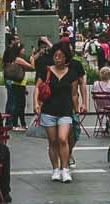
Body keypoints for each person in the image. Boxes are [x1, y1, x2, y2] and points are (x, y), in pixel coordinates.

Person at [33, 43, 85, 183]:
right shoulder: (46, 71)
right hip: (48, 110)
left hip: (65, 110)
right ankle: (55, 169)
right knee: (53, 141)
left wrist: (78, 108)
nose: (57, 58)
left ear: (66, 57)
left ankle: (65, 169)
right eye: (55, 56)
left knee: (63, 139)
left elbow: (74, 94)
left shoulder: (72, 73)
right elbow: (37, 88)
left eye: (60, 56)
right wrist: (36, 103)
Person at [1, 37, 33, 128]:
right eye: (16, 39)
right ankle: (11, 123)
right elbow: (31, 66)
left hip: (12, 78)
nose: (18, 41)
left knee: (13, 101)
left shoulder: (11, 52)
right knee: (14, 102)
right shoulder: (12, 52)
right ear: (12, 41)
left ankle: (11, 122)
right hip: (13, 78)